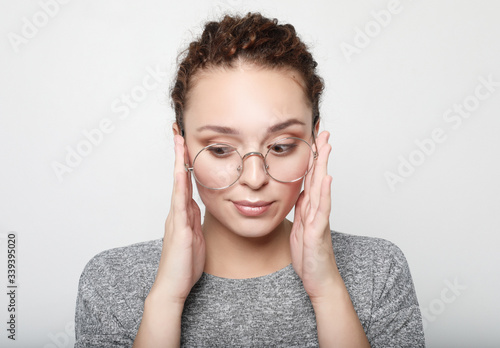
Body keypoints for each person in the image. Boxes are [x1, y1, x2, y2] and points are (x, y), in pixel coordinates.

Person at [75, 12, 425, 347]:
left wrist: (328, 290)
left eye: (282, 146)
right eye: (221, 149)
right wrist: (166, 297)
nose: (255, 178)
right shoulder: (112, 281)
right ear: (181, 146)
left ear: (315, 142)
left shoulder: (379, 270)